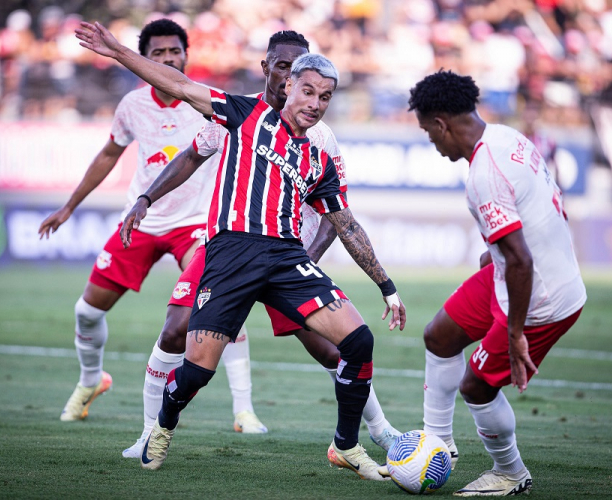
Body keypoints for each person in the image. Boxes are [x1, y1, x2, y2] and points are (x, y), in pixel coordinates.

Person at [75, 20, 406, 481]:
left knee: (356, 341)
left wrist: (387, 287)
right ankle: (161, 426)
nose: (314, 103)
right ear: (282, 80)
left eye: (324, 96)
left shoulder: (321, 154)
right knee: (196, 371)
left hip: (289, 257)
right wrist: (117, 52)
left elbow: (344, 223)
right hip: (229, 254)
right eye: (305, 89)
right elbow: (180, 86)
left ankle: (347, 445)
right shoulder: (240, 112)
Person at [38, 19, 265, 434]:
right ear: (144, 59)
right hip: (142, 219)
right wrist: (69, 206)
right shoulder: (132, 106)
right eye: (157, 54)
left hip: (197, 223)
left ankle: (244, 410)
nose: (167, 59)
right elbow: (108, 155)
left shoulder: (209, 103)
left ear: (186, 55)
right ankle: (92, 381)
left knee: (221, 302)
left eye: (173, 52)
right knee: (87, 311)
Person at [408, 70, 586, 496]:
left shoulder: (484, 173)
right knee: (440, 336)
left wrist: (514, 331)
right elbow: (538, 215)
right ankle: (439, 445)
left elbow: (523, 260)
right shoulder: (507, 137)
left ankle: (510, 472)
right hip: (516, 273)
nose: (433, 144)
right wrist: (496, 253)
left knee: (477, 385)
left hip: (540, 296)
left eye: (429, 135)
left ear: (441, 124)